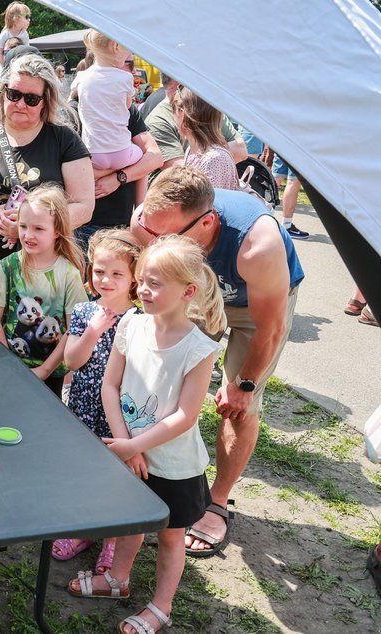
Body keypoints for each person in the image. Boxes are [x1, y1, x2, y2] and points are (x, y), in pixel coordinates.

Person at [131, 166, 304, 558]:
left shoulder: (256, 245)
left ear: (207, 221)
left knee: (238, 408)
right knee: (165, 379)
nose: (153, 240)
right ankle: (158, 469)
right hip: (196, 292)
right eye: (150, 229)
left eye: (167, 237)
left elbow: (269, 329)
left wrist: (244, 384)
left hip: (252, 307)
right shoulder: (151, 220)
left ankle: (217, 502)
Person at [68, 235, 224, 634]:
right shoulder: (130, 325)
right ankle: (118, 579)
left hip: (173, 466)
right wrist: (126, 446)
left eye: (155, 283)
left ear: (188, 291)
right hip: (129, 451)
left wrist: (135, 446)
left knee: (171, 538)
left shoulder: (198, 348)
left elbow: (187, 416)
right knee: (130, 523)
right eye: (142, 280)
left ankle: (161, 606)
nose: (144, 290)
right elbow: (110, 387)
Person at [0, 53, 94, 323]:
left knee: (41, 349)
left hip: (46, 268)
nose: (20, 103)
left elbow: (84, 206)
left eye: (31, 98)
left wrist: (32, 226)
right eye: (14, 94)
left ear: (45, 101)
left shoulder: (64, 140)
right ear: (3, 93)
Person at [54, 229, 142, 569]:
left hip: (120, 414)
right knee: (85, 470)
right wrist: (93, 330)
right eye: (99, 271)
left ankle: (113, 539)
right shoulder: (83, 312)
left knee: (117, 476)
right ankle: (86, 529)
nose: (105, 279)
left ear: (134, 277)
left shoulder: (142, 319)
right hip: (84, 408)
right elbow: (71, 361)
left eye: (117, 273)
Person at [0, 182, 87, 395]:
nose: (28, 235)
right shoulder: (8, 266)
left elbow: (73, 328)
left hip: (53, 373)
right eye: (23, 226)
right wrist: (8, 360)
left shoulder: (69, 274)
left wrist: (45, 370)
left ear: (57, 231)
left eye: (38, 228)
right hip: (10, 368)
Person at [77, 52, 163, 250]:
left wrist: (118, 178)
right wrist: (126, 169)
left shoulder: (126, 110)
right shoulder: (77, 110)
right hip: (86, 226)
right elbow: (70, 170)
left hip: (125, 228)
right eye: (128, 64)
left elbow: (155, 157)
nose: (133, 72)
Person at [70, 31, 143, 182]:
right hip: (121, 152)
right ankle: (140, 202)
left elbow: (73, 95)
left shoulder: (82, 76)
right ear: (116, 46)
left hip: (93, 153)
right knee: (141, 156)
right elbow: (128, 105)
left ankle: (101, 175)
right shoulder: (126, 78)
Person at [173, 87, 240, 190]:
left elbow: (211, 203)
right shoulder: (192, 149)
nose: (173, 116)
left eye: (174, 110)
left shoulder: (214, 159)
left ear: (183, 115)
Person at [271, 155, 311, 239]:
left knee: (276, 179)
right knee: (293, 182)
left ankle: (259, 219)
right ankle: (287, 226)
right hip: (298, 147)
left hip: (282, 144)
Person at [0, 2, 31, 66]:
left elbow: (27, 52)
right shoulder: (5, 34)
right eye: (26, 17)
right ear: (16, 18)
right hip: (4, 65)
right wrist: (4, 67)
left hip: (19, 65)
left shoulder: (25, 34)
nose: (29, 20)